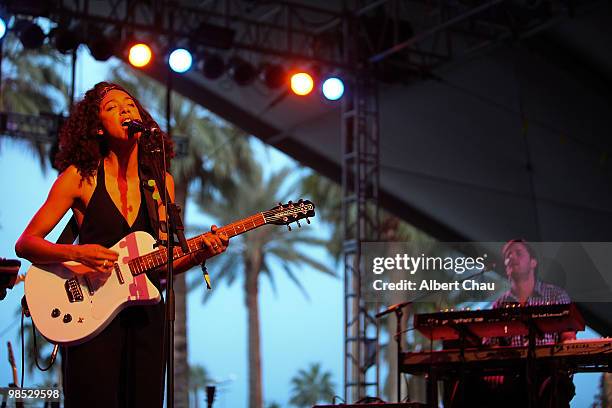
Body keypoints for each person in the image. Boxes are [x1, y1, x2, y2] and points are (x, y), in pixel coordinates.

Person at [15, 82, 228, 407]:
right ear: (98, 128)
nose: (126, 110)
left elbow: (162, 264)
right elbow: (26, 243)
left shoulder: (160, 183)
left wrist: (201, 251)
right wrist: (77, 251)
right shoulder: (79, 178)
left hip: (146, 318)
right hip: (90, 316)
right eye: (112, 107)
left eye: (130, 104)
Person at [450, 239, 576, 407]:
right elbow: (491, 346)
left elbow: (568, 338)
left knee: (554, 387)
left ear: (533, 262)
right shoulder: (500, 304)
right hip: (512, 374)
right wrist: (493, 368)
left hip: (547, 371)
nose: (512, 257)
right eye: (508, 255)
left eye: (518, 253)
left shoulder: (556, 296)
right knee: (467, 384)